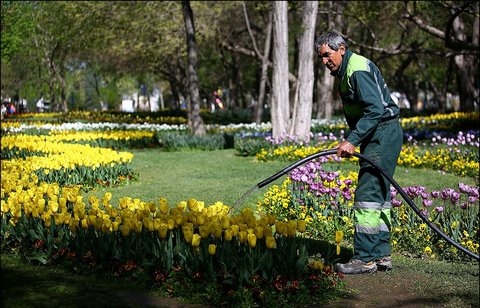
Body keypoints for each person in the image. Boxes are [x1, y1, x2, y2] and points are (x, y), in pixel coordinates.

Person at [314, 31, 403, 274]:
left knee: (368, 196)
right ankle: (381, 255)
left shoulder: (357, 69)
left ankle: (365, 258)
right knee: (380, 197)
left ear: (341, 49)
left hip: (382, 133)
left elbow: (374, 110)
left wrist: (352, 140)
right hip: (380, 134)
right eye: (320, 57)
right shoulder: (348, 69)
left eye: (327, 55)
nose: (324, 61)